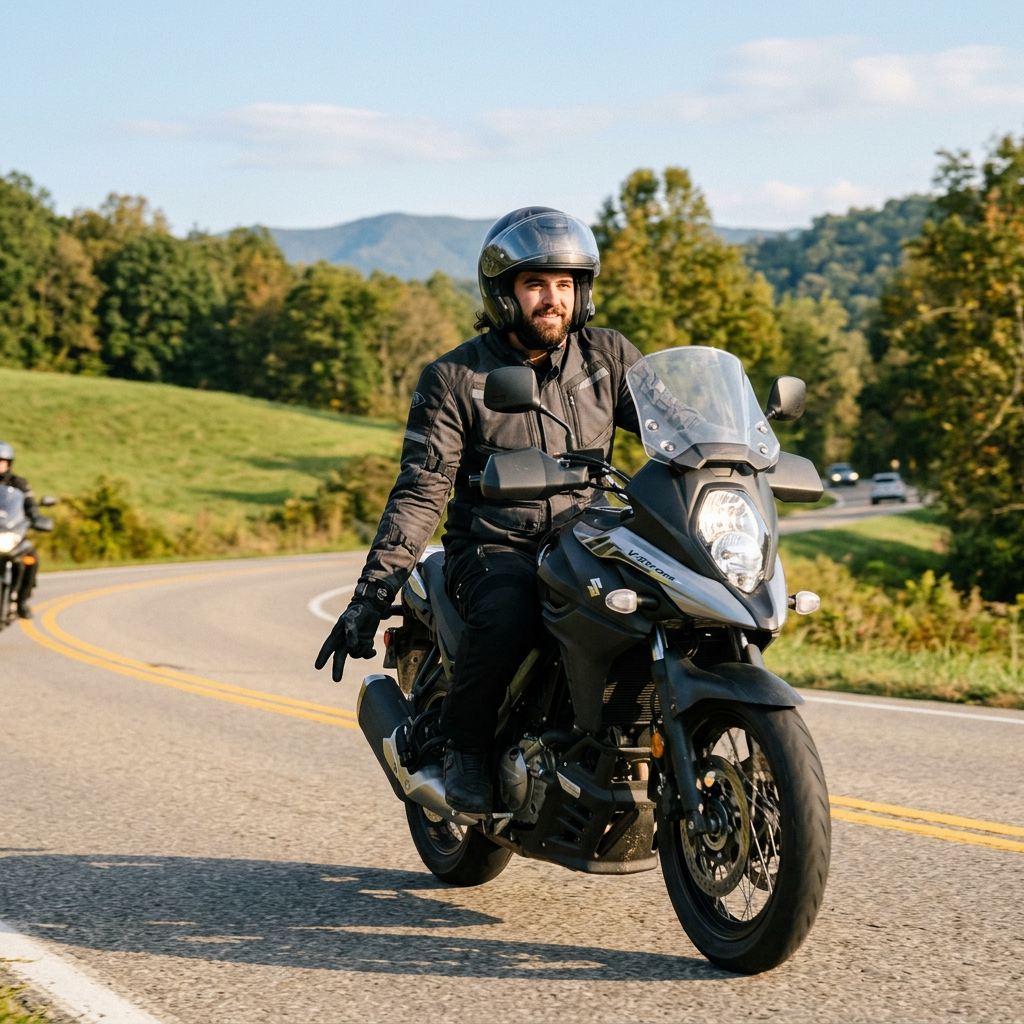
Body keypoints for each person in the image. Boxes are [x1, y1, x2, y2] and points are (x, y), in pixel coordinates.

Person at [315, 208, 642, 813]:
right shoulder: (455, 377)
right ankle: (463, 745)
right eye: (536, 284)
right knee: (511, 611)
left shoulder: (607, 357)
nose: (553, 300)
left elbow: (672, 425)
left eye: (565, 284)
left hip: (590, 536)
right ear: (503, 293)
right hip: (496, 545)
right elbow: (420, 491)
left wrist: (732, 451)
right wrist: (369, 597)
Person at [0, 441, 39, 619]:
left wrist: (35, 517)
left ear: (9, 463)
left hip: (12, 533)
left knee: (31, 558)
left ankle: (21, 601)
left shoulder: (19, 483)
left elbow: (30, 507)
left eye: (2, 461)